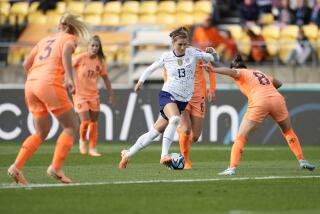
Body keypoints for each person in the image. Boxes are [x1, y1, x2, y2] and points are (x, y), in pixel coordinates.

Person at [7, 12, 90, 185]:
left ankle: (16, 166)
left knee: (41, 131)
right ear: (70, 27)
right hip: (49, 82)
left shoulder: (44, 40)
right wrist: (69, 77)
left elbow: (25, 64)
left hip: (31, 84)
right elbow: (67, 52)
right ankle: (56, 167)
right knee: (71, 125)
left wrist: (36, 79)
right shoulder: (69, 39)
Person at [118, 27, 218, 169]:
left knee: (154, 132)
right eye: (179, 44)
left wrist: (212, 52)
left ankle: (128, 153)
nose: (183, 47)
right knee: (175, 119)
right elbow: (150, 68)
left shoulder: (193, 53)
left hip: (182, 100)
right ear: (173, 43)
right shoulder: (167, 57)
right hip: (168, 95)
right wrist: (140, 81)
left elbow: (212, 58)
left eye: (185, 44)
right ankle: (164, 155)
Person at [202, 55, 315, 175]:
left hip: (260, 102)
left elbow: (231, 72)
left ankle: (232, 168)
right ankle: (302, 160)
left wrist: (213, 69)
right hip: (277, 99)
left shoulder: (241, 72)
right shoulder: (258, 72)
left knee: (241, 137)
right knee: (288, 131)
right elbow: (279, 83)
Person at [72, 35, 115, 157]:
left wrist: (111, 93)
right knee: (85, 121)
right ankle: (82, 140)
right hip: (80, 94)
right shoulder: (80, 58)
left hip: (93, 95)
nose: (95, 48)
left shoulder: (99, 62)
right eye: (93, 45)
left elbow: (105, 78)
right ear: (88, 46)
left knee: (94, 122)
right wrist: (68, 81)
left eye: (97, 46)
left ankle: (92, 148)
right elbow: (66, 67)